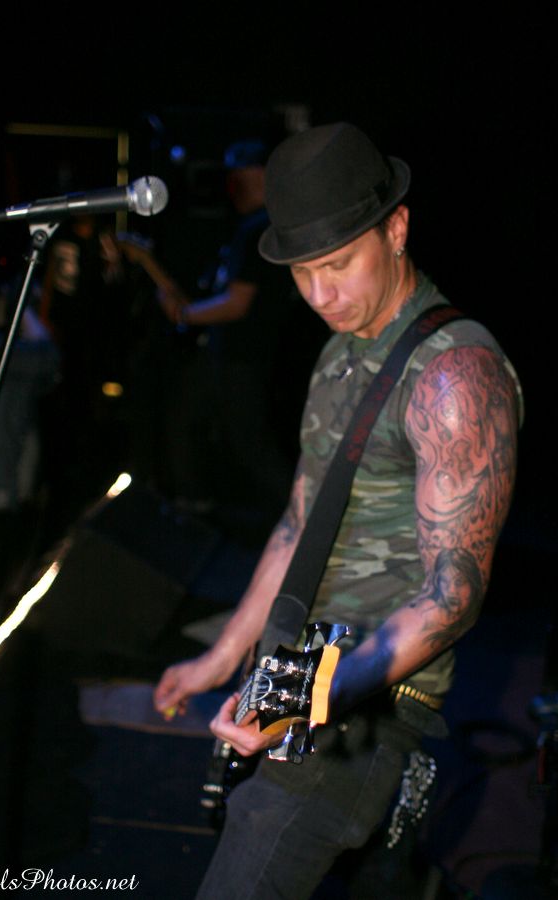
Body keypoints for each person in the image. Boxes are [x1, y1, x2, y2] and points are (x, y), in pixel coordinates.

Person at [154, 122, 523, 898]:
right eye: (303, 272)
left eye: (338, 265)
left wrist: (316, 695)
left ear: (397, 229)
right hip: (302, 679)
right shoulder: (339, 352)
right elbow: (298, 522)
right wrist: (227, 655)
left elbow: (453, 595)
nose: (320, 295)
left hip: (371, 703)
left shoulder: (455, 374)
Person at [157, 139, 303, 526]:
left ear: (262, 176)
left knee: (249, 443)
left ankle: (305, 518)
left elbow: (238, 304)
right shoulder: (252, 226)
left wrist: (185, 315)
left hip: (242, 357)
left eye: (242, 175)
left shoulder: (260, 228)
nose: (234, 184)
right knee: (187, 419)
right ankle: (194, 502)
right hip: (229, 354)